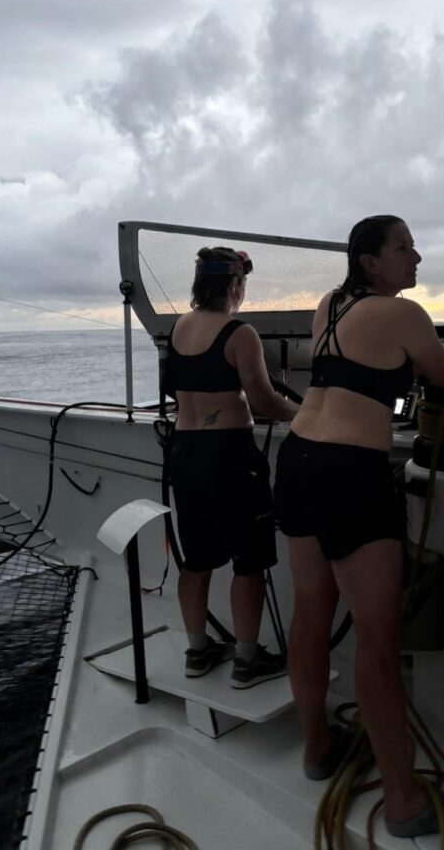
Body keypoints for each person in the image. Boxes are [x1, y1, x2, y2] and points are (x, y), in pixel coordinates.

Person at [274, 215, 444, 838]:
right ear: (370, 262)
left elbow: (358, 379)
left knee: (310, 614)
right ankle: (403, 804)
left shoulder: (329, 304)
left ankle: (318, 750)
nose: (417, 257)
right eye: (403, 248)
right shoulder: (405, 315)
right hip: (350, 472)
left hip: (297, 459)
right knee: (377, 640)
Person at [167, 246, 298, 689]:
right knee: (249, 561)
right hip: (230, 457)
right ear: (236, 285)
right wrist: (304, 414)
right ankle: (246, 661)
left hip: (185, 454)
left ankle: (198, 651)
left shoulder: (179, 328)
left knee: (198, 558)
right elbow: (263, 402)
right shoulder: (240, 333)